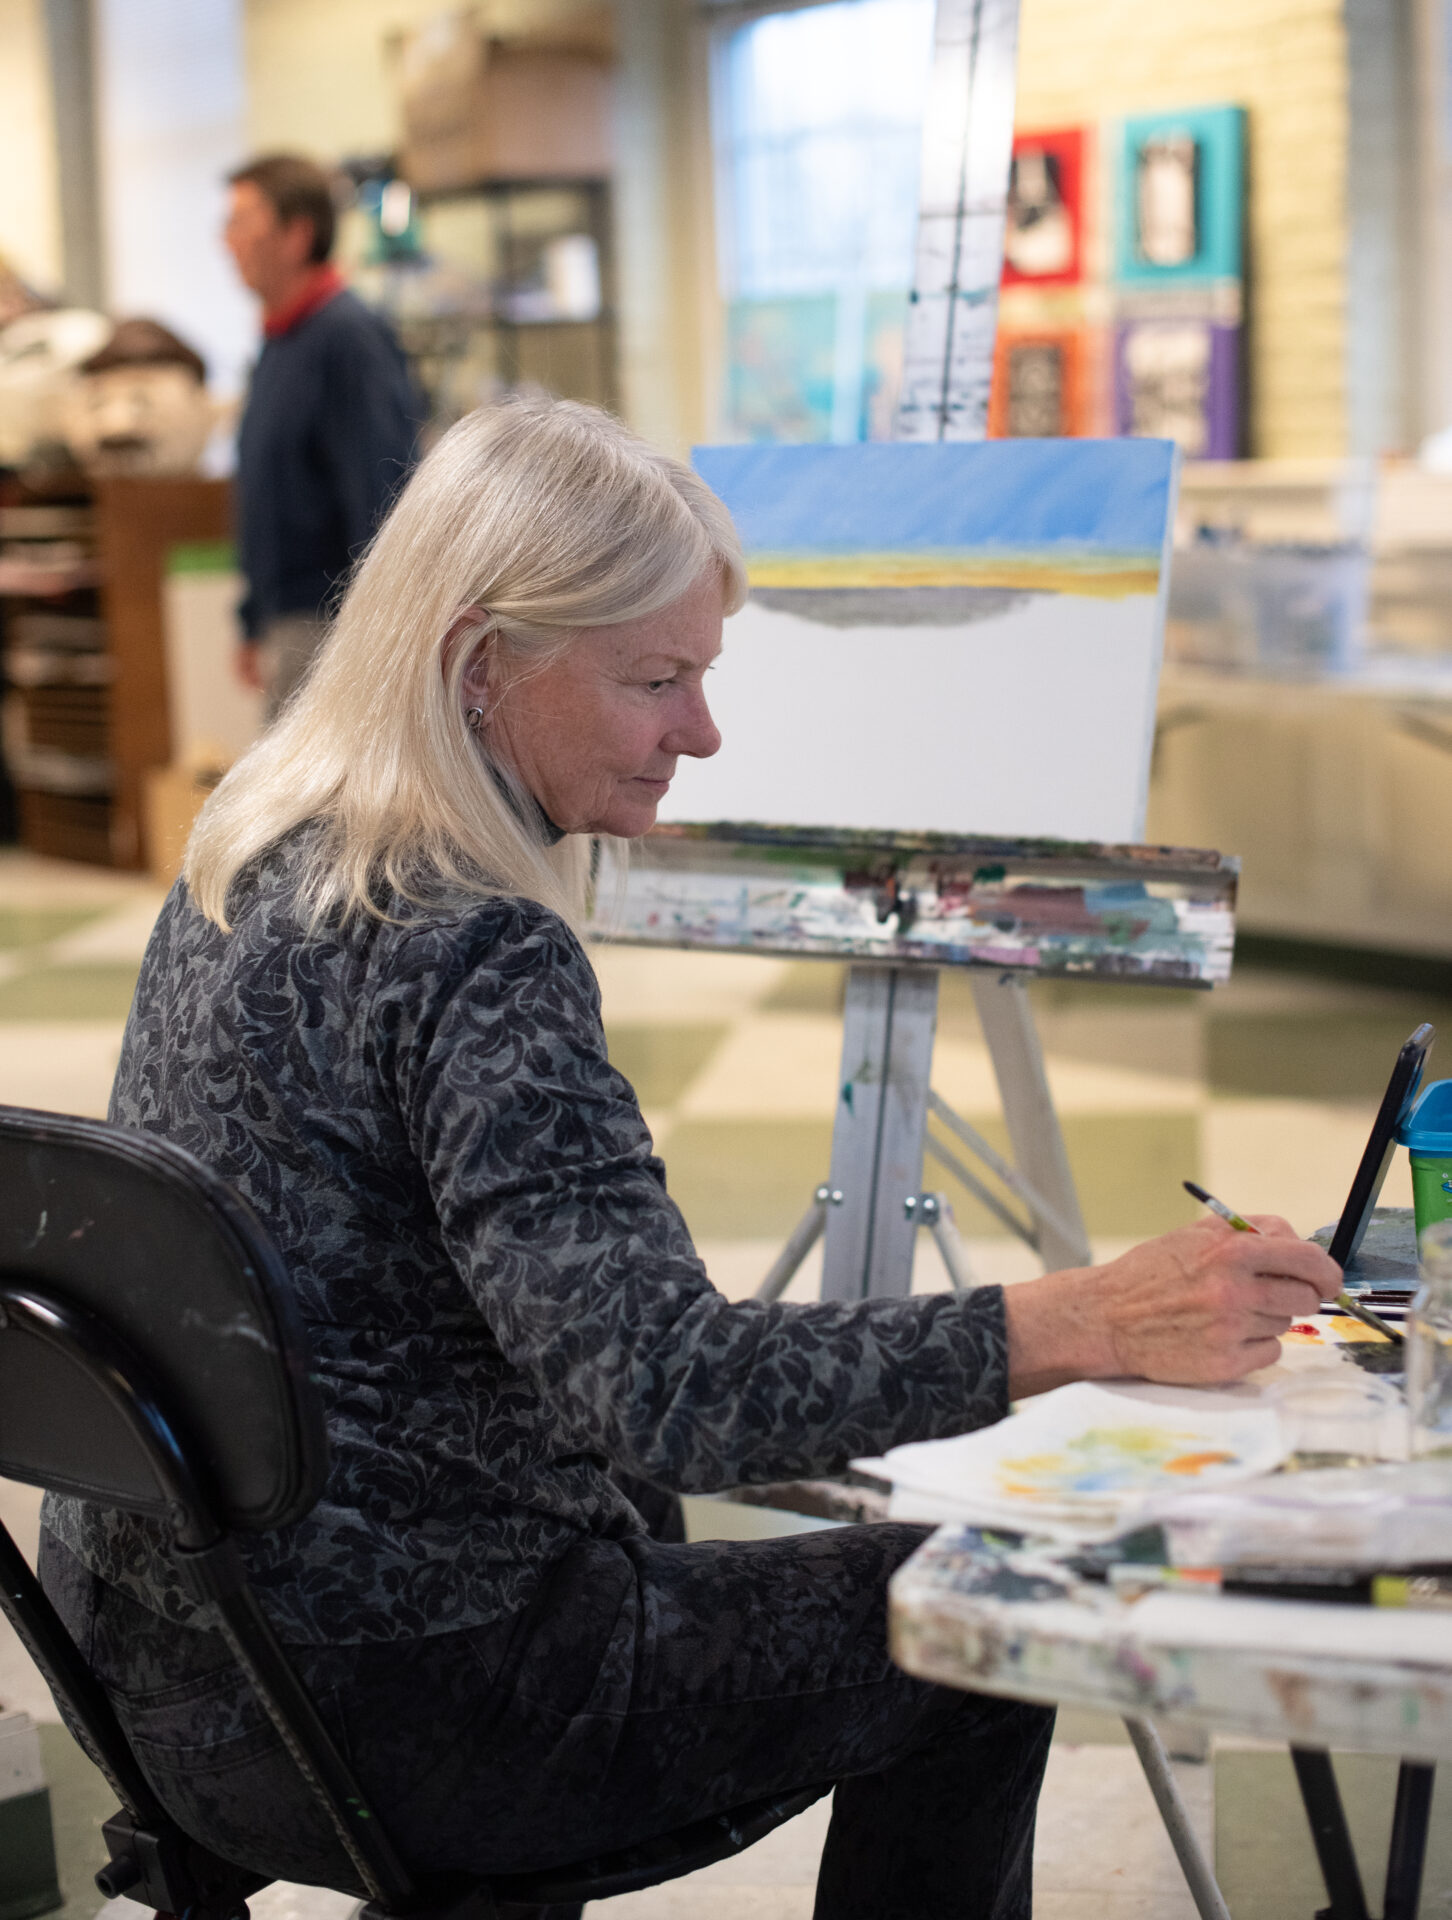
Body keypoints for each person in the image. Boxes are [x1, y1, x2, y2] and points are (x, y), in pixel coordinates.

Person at [38, 397, 1337, 1920]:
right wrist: (1090, 1318)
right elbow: (670, 1393)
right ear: (478, 663)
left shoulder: (252, 847)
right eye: (656, 681)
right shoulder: (471, 947)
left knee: (621, 1504)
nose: (701, 733)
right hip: (390, 1711)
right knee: (979, 1618)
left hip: (157, 1664)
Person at [223, 152, 421, 715]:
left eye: (242, 223)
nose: (228, 242)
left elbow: (383, 492)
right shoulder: (282, 341)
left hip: (334, 624)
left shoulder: (348, 339)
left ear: (297, 235)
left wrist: (376, 635)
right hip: (289, 619)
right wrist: (253, 617)